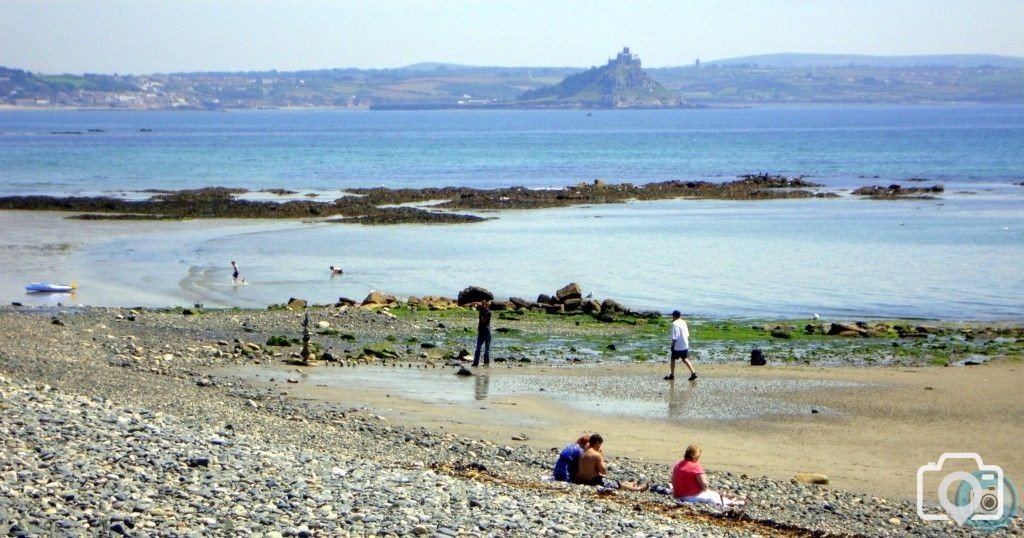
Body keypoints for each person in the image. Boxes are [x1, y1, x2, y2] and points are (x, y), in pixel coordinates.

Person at [672, 444, 746, 506]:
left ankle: (729, 501)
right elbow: (704, 485)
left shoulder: (678, 464)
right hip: (689, 497)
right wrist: (705, 489)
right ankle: (732, 503)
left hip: (677, 495)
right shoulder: (695, 466)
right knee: (712, 497)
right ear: (695, 457)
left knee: (714, 494)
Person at [575, 433, 648, 492]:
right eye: (600, 445)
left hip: (582, 480)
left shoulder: (583, 453)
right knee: (618, 484)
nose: (600, 447)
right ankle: (638, 489)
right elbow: (603, 471)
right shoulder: (596, 454)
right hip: (593, 481)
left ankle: (630, 484)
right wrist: (602, 458)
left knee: (613, 481)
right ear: (597, 443)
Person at [665, 310, 696, 381]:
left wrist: (672, 346)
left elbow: (674, 337)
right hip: (685, 344)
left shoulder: (674, 324)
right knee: (684, 359)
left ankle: (672, 375)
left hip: (678, 345)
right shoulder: (683, 322)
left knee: (673, 359)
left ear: (674, 316)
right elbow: (687, 334)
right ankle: (693, 372)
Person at [471, 301, 491, 367]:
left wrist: (477, 305)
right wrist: (475, 303)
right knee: (478, 348)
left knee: (486, 349)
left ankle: (486, 363)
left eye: (486, 305)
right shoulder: (482, 310)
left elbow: (483, 321)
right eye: (484, 304)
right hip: (482, 331)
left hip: (486, 331)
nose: (485, 306)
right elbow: (474, 305)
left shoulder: (488, 312)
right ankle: (476, 363)